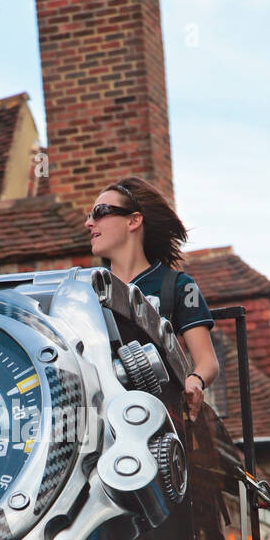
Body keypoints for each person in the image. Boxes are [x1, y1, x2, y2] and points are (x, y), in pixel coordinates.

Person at [86, 176, 219, 422]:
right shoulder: (86, 289)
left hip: (157, 416)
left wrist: (194, 380)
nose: (88, 223)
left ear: (134, 220)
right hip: (98, 416)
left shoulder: (178, 286)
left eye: (99, 212)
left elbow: (208, 362)